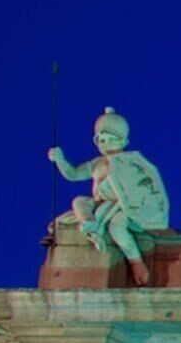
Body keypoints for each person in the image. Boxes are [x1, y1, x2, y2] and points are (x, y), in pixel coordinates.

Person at [47, 108, 168, 282]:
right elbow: (73, 175)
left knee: (117, 228)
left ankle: (137, 263)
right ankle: (89, 222)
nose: (106, 144)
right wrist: (60, 160)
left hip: (123, 207)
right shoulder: (96, 163)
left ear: (123, 141)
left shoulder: (131, 164)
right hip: (100, 203)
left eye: (111, 139)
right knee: (79, 201)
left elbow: (142, 189)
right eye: (101, 140)